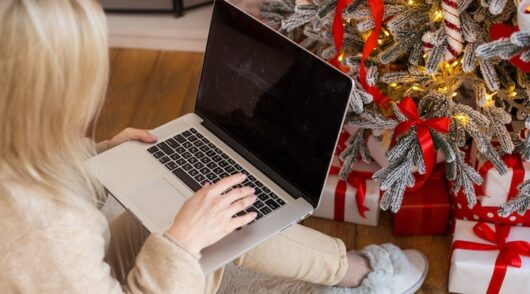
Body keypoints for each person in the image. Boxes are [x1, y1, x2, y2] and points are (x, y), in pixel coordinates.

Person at [0, 1, 428, 293]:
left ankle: (350, 269)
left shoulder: (16, 157)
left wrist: (96, 156)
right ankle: (362, 273)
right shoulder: (49, 233)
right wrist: (180, 246)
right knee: (218, 213)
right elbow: (47, 241)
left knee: (218, 197)